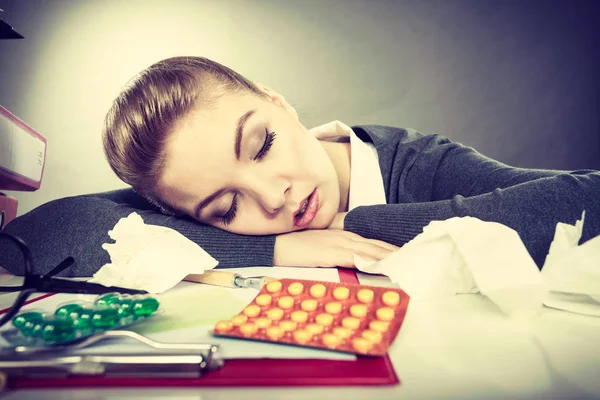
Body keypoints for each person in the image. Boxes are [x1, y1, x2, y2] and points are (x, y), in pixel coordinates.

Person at [1, 56, 599, 277]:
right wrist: (273, 251)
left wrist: (354, 227)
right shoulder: (205, 210)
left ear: (278, 102)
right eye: (226, 207)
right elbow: (29, 237)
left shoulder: (420, 164)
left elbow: (587, 199)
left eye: (260, 145)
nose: (272, 198)